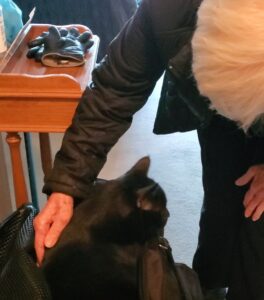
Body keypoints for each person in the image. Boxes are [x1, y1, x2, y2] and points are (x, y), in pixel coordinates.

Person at [33, 0, 264, 299]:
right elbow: (115, 89)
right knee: (223, 199)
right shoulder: (167, 9)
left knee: (258, 226)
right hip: (217, 108)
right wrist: (67, 184)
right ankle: (209, 285)